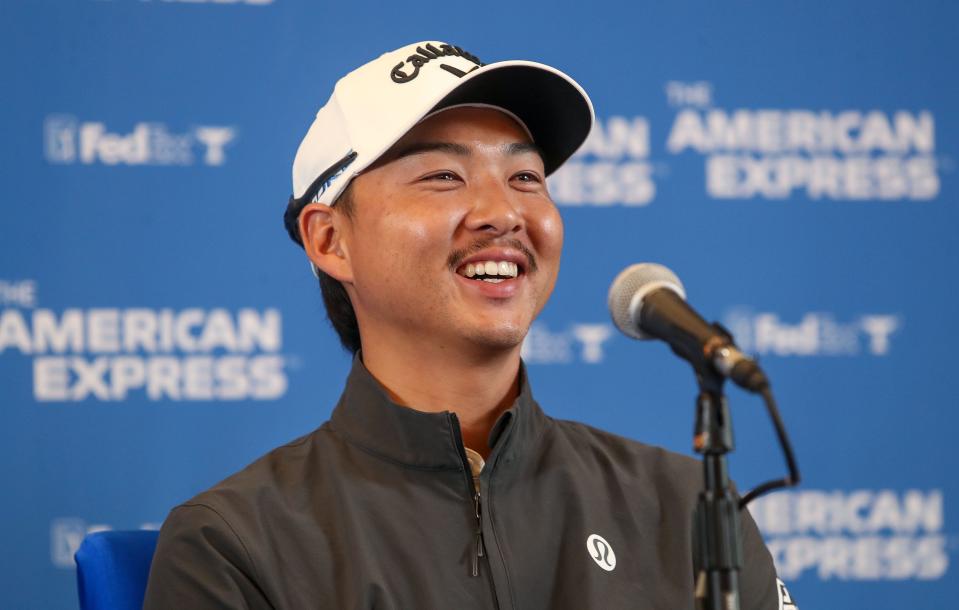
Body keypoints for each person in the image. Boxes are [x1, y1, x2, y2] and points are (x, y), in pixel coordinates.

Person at [144, 41, 793, 609]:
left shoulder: (686, 508)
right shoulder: (233, 543)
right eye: (444, 176)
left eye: (524, 177)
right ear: (331, 240)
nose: (503, 210)